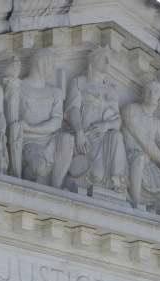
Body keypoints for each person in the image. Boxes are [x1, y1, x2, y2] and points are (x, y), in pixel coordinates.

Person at [7, 49, 75, 188]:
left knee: (67, 139)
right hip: (28, 142)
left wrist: (31, 128)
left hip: (49, 140)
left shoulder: (55, 92)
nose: (52, 68)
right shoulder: (20, 87)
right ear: (40, 63)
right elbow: (10, 118)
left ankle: (56, 187)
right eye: (50, 64)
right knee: (39, 168)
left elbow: (57, 122)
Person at [66, 47, 127, 195]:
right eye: (103, 58)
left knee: (117, 136)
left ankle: (118, 183)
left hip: (103, 137)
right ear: (93, 61)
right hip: (84, 137)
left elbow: (117, 122)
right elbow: (72, 109)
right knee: (96, 174)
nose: (107, 62)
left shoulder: (111, 90)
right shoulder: (79, 82)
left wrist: (105, 125)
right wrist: (79, 131)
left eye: (108, 59)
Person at [121, 81, 160, 212]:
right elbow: (144, 141)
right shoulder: (131, 110)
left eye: (155, 92)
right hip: (128, 157)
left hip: (148, 165)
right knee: (139, 158)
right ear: (142, 94)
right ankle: (135, 201)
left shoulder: (156, 123)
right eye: (148, 90)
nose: (150, 94)